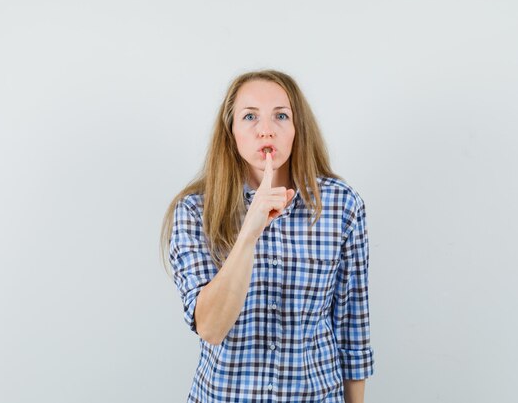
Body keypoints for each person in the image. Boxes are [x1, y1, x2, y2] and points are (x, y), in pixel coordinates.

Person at [159, 69, 375, 403]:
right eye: (249, 117)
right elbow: (211, 328)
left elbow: (352, 332)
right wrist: (251, 229)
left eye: (281, 116)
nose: (265, 130)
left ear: (296, 129)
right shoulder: (193, 211)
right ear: (231, 132)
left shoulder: (341, 204)